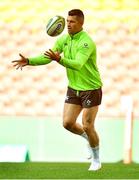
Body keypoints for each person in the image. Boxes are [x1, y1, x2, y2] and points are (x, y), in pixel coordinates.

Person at [12, 9, 103, 171]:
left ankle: (96, 160)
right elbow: (48, 56)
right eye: (67, 21)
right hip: (74, 88)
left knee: (88, 125)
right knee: (67, 123)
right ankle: (88, 139)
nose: (68, 24)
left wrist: (59, 59)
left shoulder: (86, 42)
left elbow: (78, 64)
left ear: (81, 23)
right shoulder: (64, 39)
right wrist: (29, 61)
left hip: (91, 88)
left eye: (72, 22)